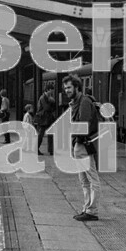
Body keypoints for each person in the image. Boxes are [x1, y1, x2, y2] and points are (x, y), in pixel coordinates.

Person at [63, 74, 99, 221]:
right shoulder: (75, 102)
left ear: (77, 87)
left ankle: (92, 211)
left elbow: (82, 125)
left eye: (69, 87)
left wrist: (76, 139)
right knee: (84, 180)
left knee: (92, 179)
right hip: (78, 145)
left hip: (84, 144)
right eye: (65, 88)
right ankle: (86, 209)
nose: (67, 90)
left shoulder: (84, 102)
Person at [36, 85, 56, 155]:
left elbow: (54, 108)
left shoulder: (48, 97)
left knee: (51, 134)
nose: (52, 91)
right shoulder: (43, 98)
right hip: (43, 118)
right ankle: (36, 149)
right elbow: (47, 108)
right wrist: (51, 101)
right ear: (47, 90)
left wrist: (52, 102)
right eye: (51, 90)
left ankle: (51, 150)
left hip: (48, 118)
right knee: (41, 134)